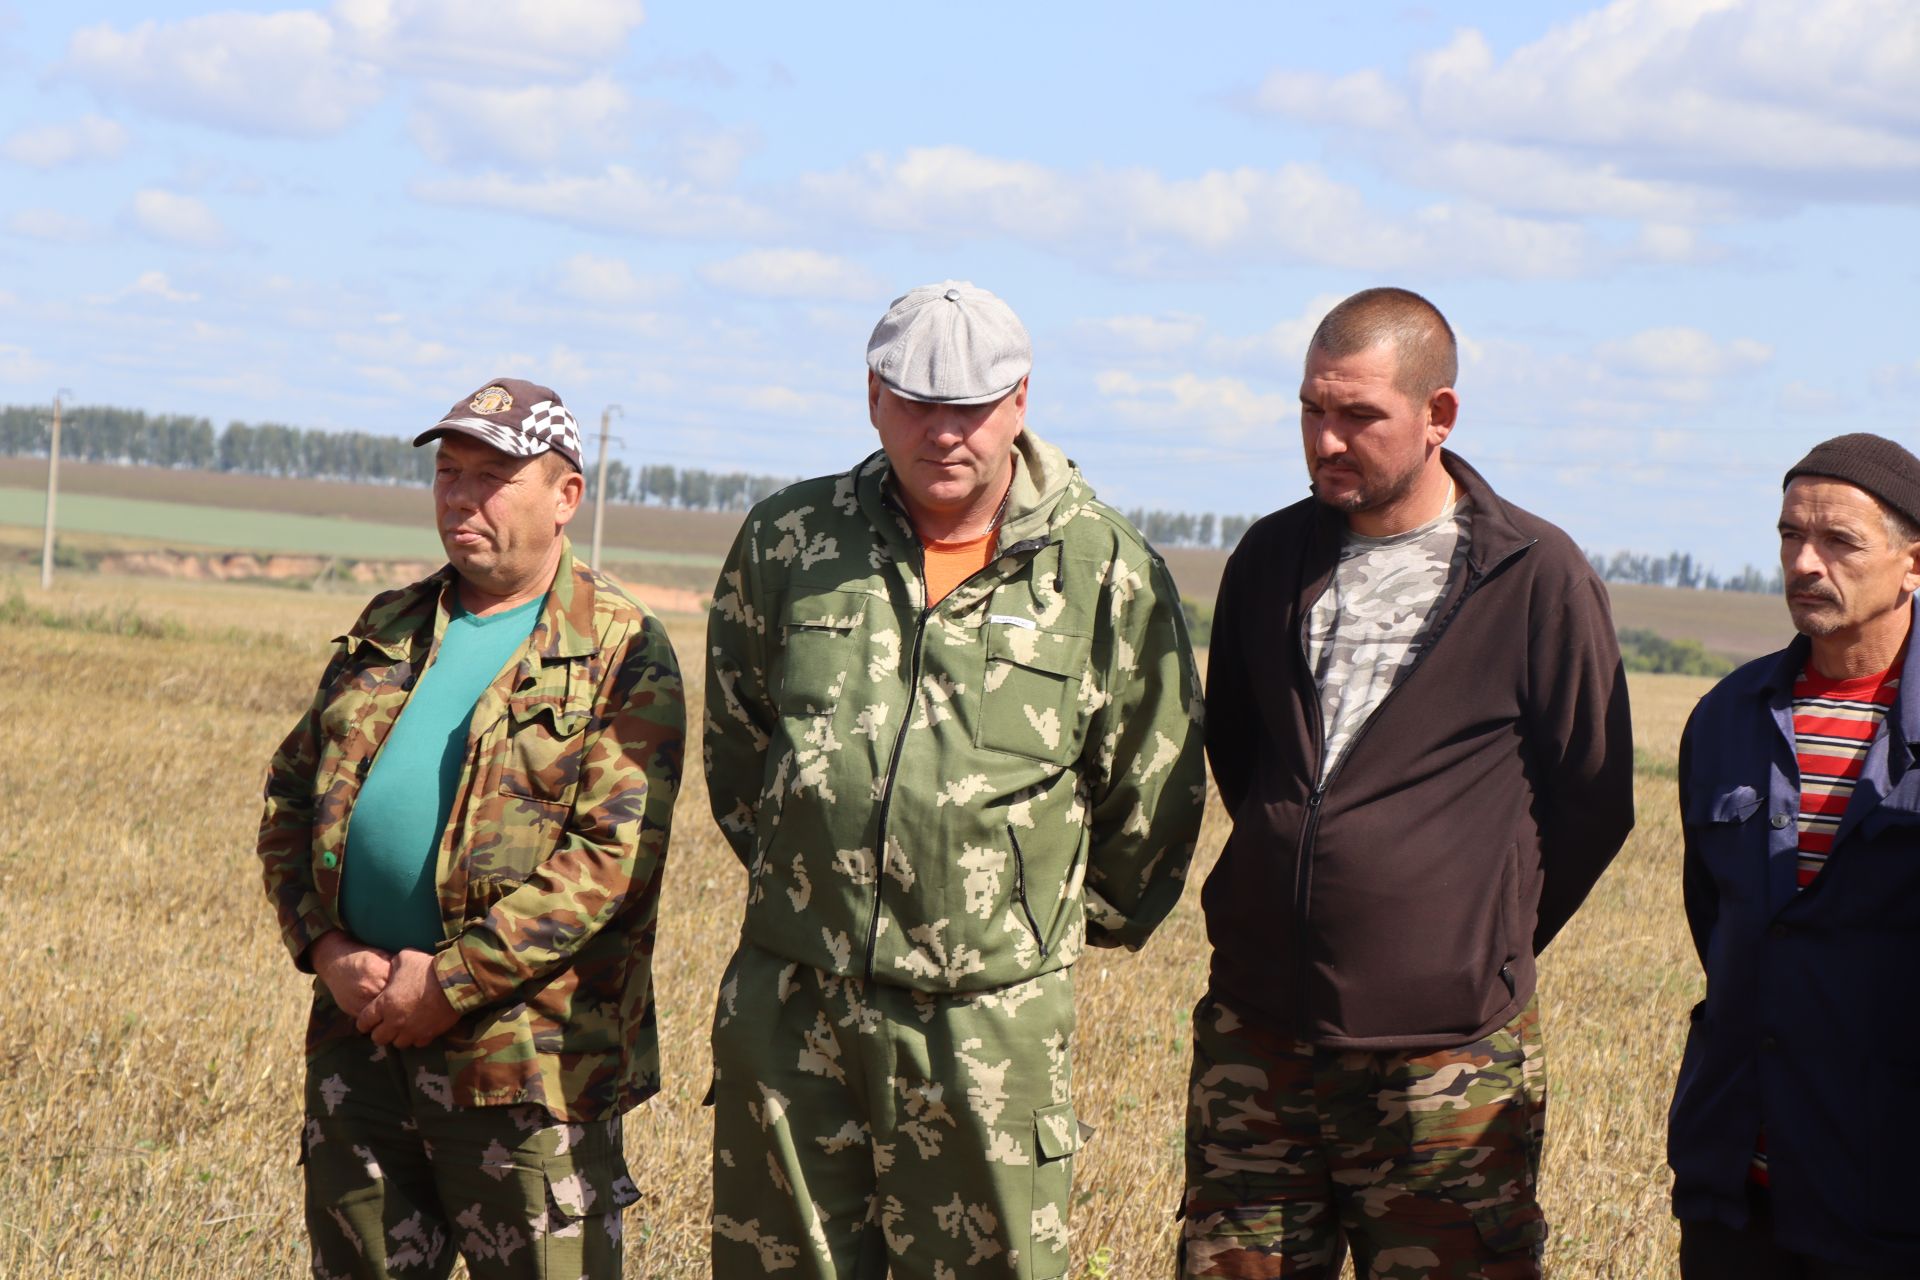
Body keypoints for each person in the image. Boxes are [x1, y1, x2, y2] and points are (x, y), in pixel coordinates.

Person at [703, 280, 1206, 1279]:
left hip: (987, 1021)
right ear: (874, 397)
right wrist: (820, 887)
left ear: (1020, 401)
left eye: (970, 406)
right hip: (795, 1001)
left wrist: (1026, 923)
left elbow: (1151, 793)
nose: (945, 433)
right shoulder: (791, 541)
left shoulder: (1104, 569)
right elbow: (740, 745)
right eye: (918, 403)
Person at [1182, 287, 1635, 1278]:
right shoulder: (1270, 556)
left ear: (1440, 416)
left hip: (1446, 1062)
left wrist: (1467, 935)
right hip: (1258, 1034)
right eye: (1312, 410)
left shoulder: (1534, 574)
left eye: (1359, 416)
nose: (1327, 440)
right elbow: (1246, 753)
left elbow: (1593, 798)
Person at [256, 377, 685, 1279]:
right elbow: (291, 796)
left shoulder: (620, 648)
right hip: (362, 1044)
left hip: (526, 1067)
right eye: (449, 473)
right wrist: (326, 947)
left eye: (493, 475)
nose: (460, 496)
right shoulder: (391, 626)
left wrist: (448, 984)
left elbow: (609, 864)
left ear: (567, 496)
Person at [1669, 434, 1920, 1278]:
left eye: (1839, 542)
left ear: (1913, 563)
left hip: (1891, 1200)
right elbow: (1721, 928)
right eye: (1789, 537)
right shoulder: (1728, 718)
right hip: (1737, 1192)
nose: (1805, 564)